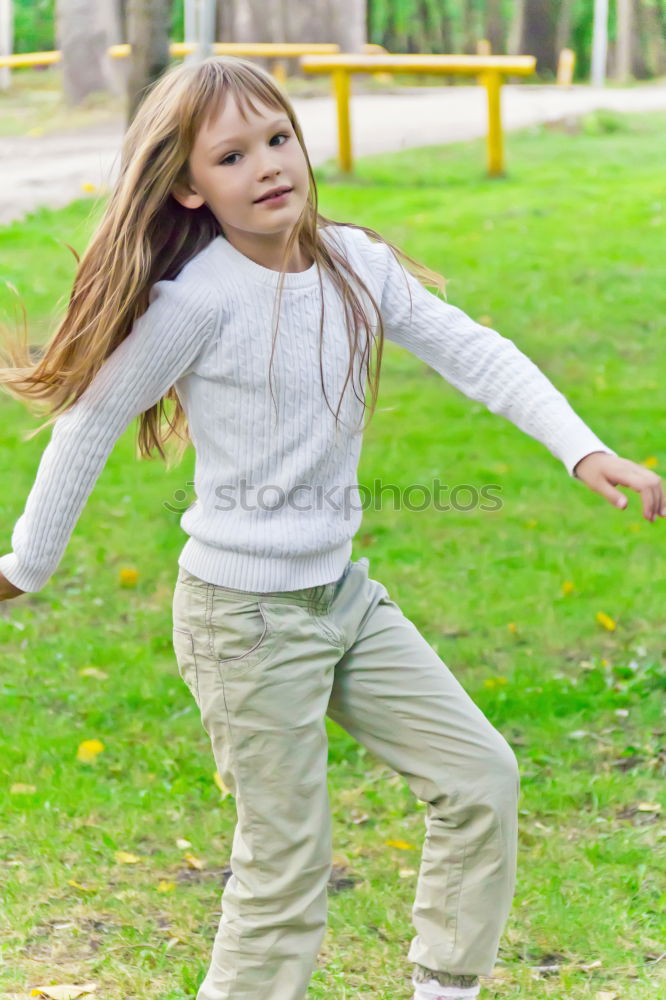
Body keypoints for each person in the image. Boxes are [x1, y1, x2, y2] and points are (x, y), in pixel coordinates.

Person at [0, 55, 663, 1000]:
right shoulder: (197, 305)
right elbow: (92, 420)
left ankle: (445, 988)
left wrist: (583, 450)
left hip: (342, 600)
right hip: (244, 623)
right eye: (232, 156)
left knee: (481, 779)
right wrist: (28, 564)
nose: (269, 165)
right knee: (286, 870)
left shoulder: (358, 265)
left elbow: (472, 348)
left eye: (278, 140)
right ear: (188, 187)